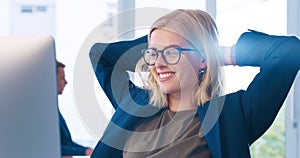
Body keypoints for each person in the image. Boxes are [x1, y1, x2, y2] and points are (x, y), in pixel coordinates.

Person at [89, 9, 300, 158]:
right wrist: (161, 40)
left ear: (202, 58)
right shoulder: (135, 102)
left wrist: (224, 54)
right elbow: (100, 55)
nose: (158, 64)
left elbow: (289, 51)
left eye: (172, 52)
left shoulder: (232, 115)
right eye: (153, 54)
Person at [56, 61, 94, 157]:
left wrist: (88, 150)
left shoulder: (54, 111)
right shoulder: (47, 113)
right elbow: (55, 147)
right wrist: (85, 152)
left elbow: (67, 144)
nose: (66, 82)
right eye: (62, 78)